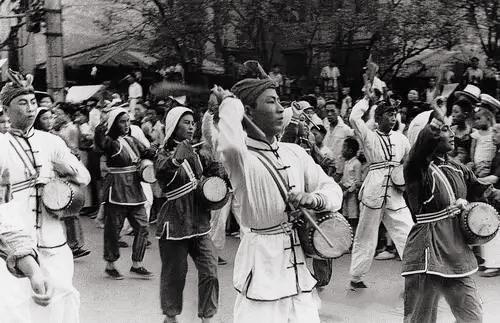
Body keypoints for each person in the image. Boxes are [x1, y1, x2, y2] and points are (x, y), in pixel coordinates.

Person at [213, 78, 343, 322]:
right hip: (262, 267)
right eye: (271, 101)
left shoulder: (293, 152)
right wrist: (230, 105)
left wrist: (313, 199)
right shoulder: (241, 159)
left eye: (279, 101)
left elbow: (333, 190)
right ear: (248, 111)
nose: (281, 108)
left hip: (299, 268)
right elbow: (230, 143)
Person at [0, 70, 90, 322]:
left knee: (61, 299)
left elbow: (84, 177)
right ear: (6, 109)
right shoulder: (2, 146)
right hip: (16, 238)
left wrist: (66, 173)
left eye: (32, 103)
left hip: (53, 239)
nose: (30, 109)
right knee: (16, 305)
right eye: (22, 103)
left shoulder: (51, 142)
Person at [402, 105, 497, 323]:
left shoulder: (458, 168)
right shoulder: (417, 170)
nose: (452, 134)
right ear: (426, 136)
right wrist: (432, 122)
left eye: (449, 128)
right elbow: (417, 155)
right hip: (427, 252)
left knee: (473, 318)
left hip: (455, 252)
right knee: (420, 320)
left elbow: (484, 191)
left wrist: (477, 200)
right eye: (443, 129)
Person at [155, 106, 222, 323]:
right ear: (174, 126)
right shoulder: (164, 153)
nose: (191, 127)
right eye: (186, 122)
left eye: (193, 123)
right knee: (175, 274)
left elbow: (214, 173)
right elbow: (161, 173)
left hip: (199, 221)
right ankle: (171, 316)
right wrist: (175, 160)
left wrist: (219, 175)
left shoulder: (198, 152)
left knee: (210, 270)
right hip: (175, 221)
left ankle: (207, 316)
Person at [348, 97, 413, 289]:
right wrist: (366, 101)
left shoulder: (401, 139)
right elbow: (353, 118)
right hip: (373, 192)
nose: (393, 118)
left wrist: (405, 179)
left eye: (395, 114)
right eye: (389, 114)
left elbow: (408, 162)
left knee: (408, 232)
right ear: (378, 117)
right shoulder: (369, 136)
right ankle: (356, 277)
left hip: (395, 194)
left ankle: (414, 276)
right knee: (365, 236)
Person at [94, 107, 155, 279]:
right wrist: (101, 126)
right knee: (114, 229)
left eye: (128, 121)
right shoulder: (110, 142)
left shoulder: (131, 139)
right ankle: (110, 264)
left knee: (143, 226)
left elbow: (147, 151)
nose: (127, 124)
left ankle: (137, 263)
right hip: (117, 189)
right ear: (114, 123)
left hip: (135, 189)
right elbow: (100, 144)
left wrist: (164, 147)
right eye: (122, 121)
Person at [34, 107, 91, 260]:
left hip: (60, 180)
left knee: (70, 212)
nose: (49, 121)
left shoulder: (56, 137)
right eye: (44, 118)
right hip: (43, 181)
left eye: (50, 117)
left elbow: (70, 154)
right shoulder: (34, 138)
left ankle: (74, 245)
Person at [322, 100, 354, 181]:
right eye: (327, 111)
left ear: (339, 111)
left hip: (339, 171)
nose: (329, 114)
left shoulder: (346, 130)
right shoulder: (325, 128)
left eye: (332, 111)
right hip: (325, 169)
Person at [340, 137, 362, 233]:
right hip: (345, 193)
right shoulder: (346, 163)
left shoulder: (356, 163)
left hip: (351, 194)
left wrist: (348, 191)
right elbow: (345, 178)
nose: (342, 150)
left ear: (350, 150)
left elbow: (357, 182)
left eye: (344, 147)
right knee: (345, 217)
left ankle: (354, 240)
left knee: (353, 218)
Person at [470, 107, 496, 177]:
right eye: (475, 119)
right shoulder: (476, 134)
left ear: (488, 118)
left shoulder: (493, 131)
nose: (476, 121)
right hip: (480, 161)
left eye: (479, 118)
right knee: (482, 175)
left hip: (491, 160)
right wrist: (472, 161)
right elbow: (473, 148)